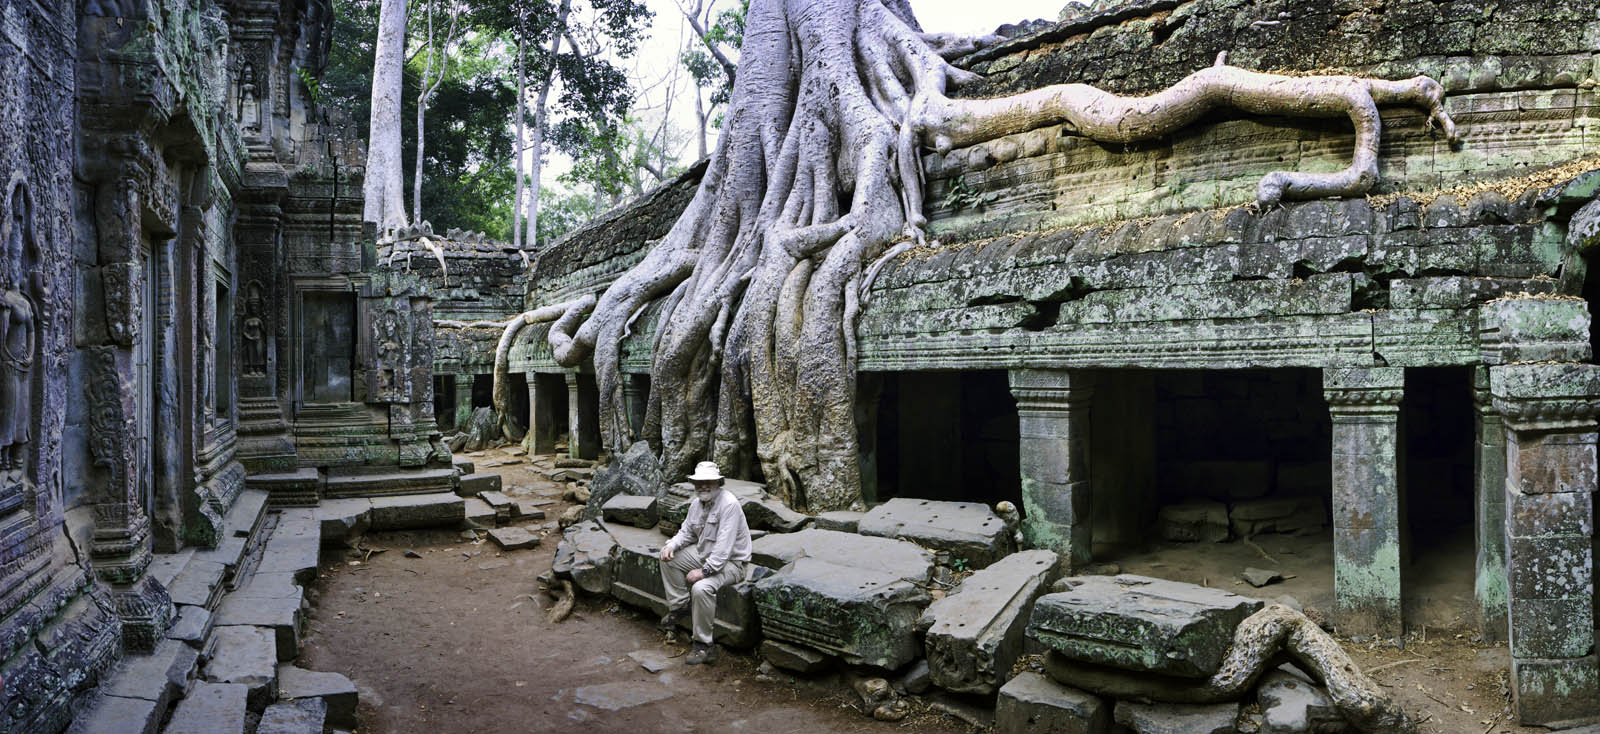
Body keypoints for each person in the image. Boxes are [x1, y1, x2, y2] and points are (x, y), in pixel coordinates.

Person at [658, 461, 751, 665]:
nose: (703, 486)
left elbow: (723, 549)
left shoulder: (729, 505)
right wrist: (671, 545)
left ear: (718, 482)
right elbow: (686, 532)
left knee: (701, 588)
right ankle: (680, 607)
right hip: (703, 554)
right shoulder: (696, 504)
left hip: (732, 564)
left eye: (708, 481)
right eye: (699, 483)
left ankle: (703, 645)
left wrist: (704, 571)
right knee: (667, 559)